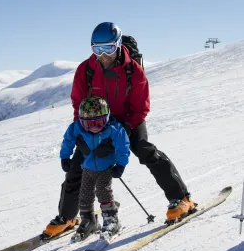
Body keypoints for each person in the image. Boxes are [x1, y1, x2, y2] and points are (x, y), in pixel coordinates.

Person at [43, 22, 195, 238]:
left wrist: (121, 130)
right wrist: (82, 133)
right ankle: (67, 217)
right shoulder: (85, 70)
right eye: (97, 50)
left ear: (118, 45)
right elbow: (79, 103)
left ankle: (181, 198)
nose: (103, 55)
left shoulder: (133, 70)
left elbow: (141, 107)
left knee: (145, 150)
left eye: (108, 49)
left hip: (127, 119)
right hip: (94, 123)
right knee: (79, 164)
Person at [56, 95, 130, 241]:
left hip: (105, 168)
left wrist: (120, 165)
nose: (95, 128)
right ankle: (88, 220)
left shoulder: (115, 129)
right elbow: (68, 141)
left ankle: (112, 220)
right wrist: (65, 157)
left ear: (107, 117)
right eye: (89, 125)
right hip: (87, 168)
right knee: (84, 194)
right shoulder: (77, 128)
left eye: (100, 123)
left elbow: (123, 147)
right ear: (82, 122)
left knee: (103, 190)